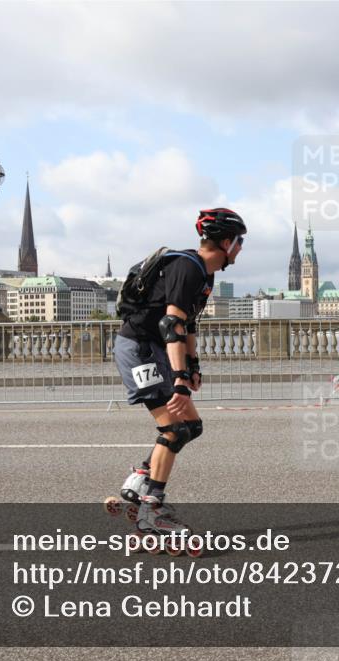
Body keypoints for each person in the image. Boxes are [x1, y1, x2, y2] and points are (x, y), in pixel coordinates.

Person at [109, 208, 246, 540]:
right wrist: (181, 378)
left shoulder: (206, 274)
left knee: (191, 426)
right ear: (226, 242)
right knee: (174, 429)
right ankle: (151, 510)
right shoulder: (187, 267)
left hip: (156, 349)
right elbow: (171, 324)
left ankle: (142, 477)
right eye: (240, 241)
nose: (241, 247)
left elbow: (189, 325)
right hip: (139, 349)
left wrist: (193, 366)